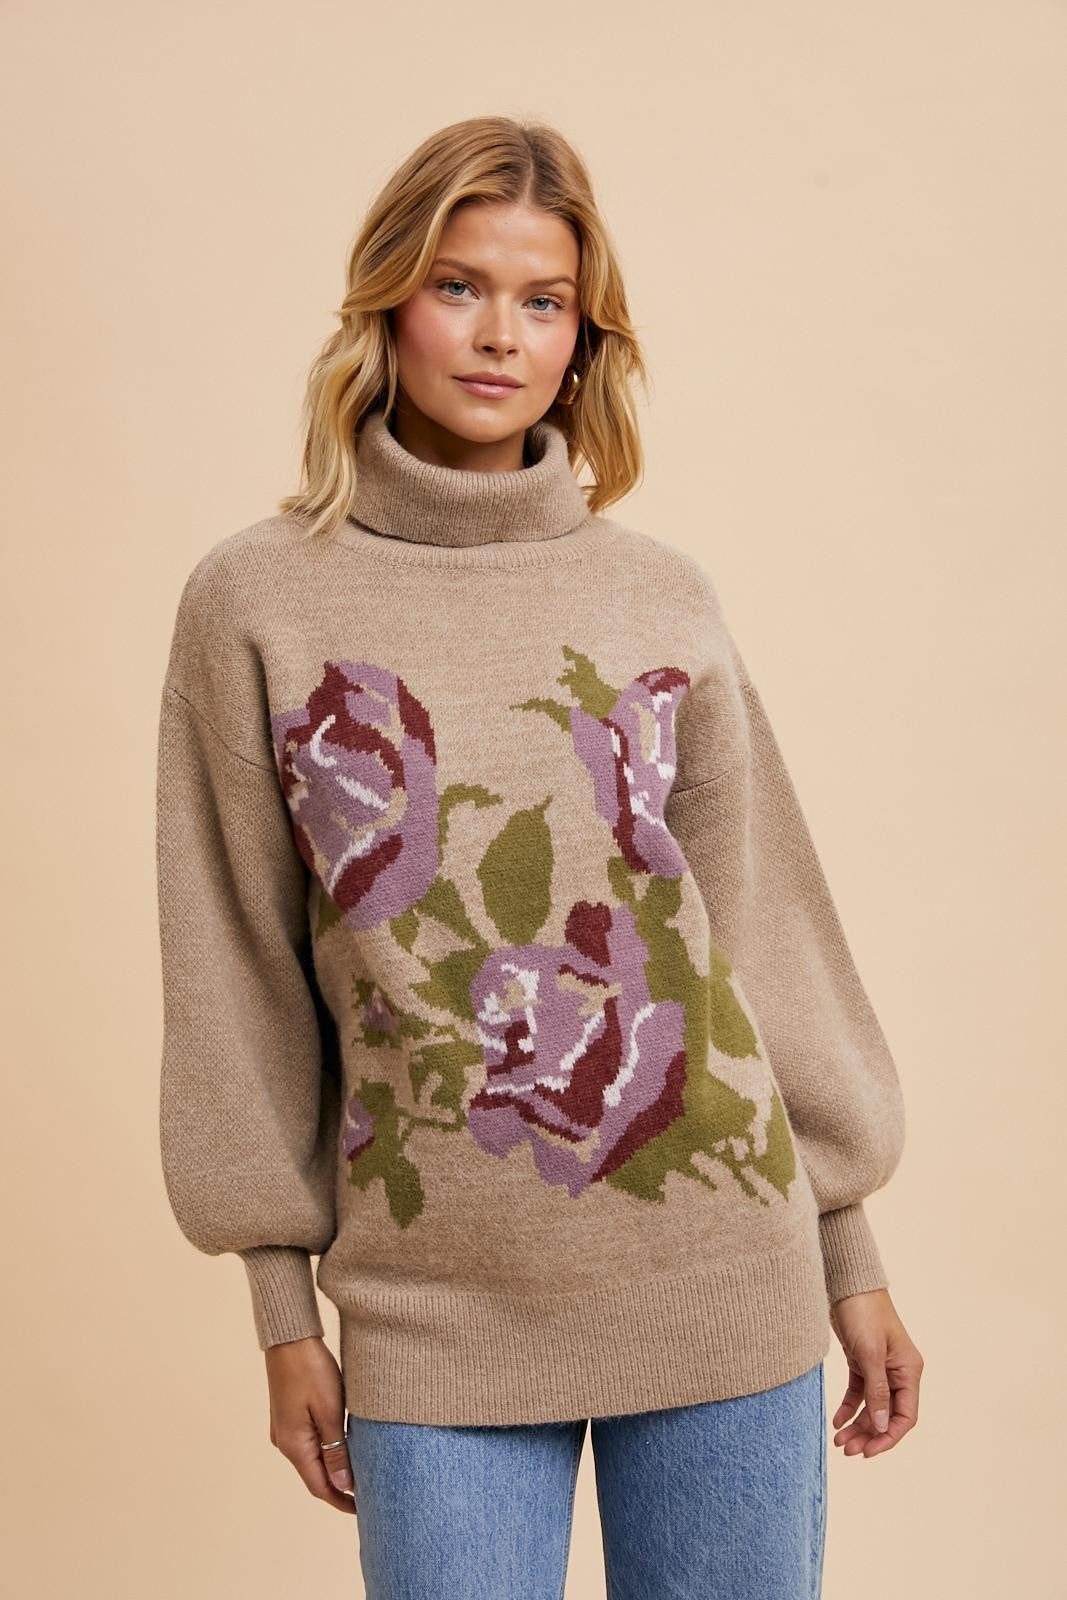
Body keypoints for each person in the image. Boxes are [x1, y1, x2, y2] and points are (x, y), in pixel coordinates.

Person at [155, 114, 923, 1598]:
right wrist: (281, 1312)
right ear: (388, 304)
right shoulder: (254, 600)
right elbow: (234, 963)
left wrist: (851, 1254)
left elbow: (756, 937)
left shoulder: (658, 595)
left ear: (583, 341)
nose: (501, 334)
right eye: (459, 286)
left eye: (544, 300)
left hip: (723, 1280)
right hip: (433, 1309)